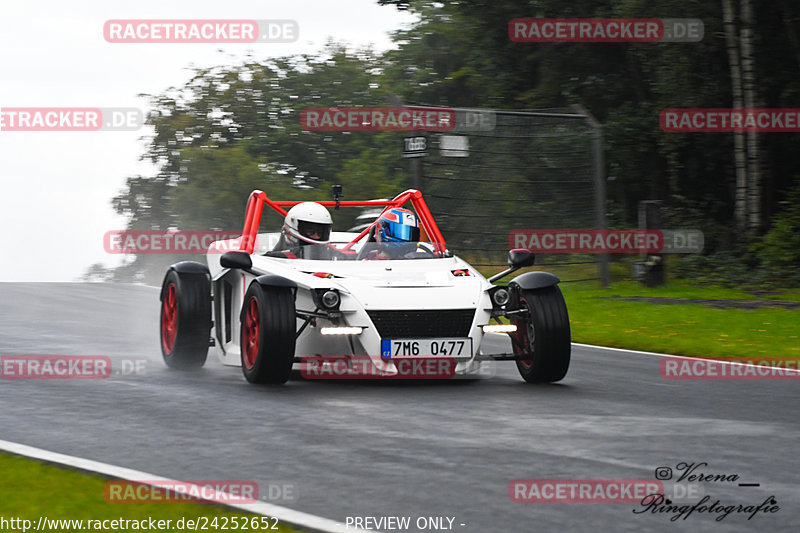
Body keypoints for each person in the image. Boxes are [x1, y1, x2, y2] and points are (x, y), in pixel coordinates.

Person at [270, 202, 334, 259]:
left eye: (320, 232)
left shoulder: (334, 254)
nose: (316, 236)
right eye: (311, 231)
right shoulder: (274, 259)